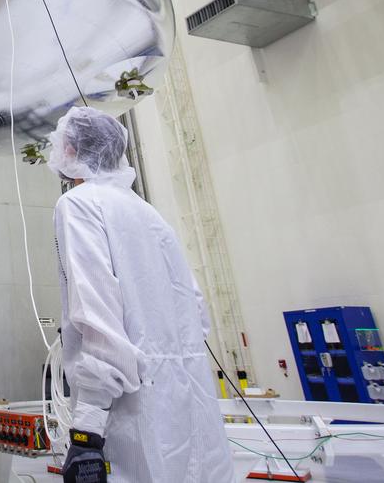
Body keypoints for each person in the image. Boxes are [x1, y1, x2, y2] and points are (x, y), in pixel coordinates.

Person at [48, 106, 232, 483]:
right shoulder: (149, 213)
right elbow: (194, 309)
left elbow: (97, 312)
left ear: (72, 150)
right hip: (189, 401)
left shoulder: (78, 205)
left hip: (131, 407)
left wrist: (87, 429)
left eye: (61, 141)